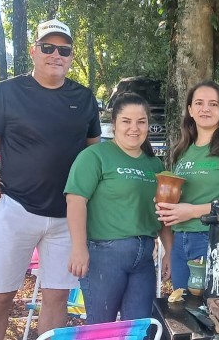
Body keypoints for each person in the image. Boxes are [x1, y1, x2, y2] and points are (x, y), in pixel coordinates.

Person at [0, 18, 101, 340]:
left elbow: (94, 154)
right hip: (15, 209)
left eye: (64, 50)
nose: (56, 55)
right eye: (48, 47)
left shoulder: (85, 98)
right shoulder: (6, 92)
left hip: (67, 218)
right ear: (34, 51)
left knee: (57, 298)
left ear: (71, 56)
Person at [65, 93, 171, 323]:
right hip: (104, 255)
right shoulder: (95, 156)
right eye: (126, 121)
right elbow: (75, 201)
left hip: (145, 257)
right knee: (101, 329)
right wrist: (78, 248)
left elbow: (163, 211)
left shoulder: (155, 164)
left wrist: (169, 252)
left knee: (139, 329)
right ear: (114, 124)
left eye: (141, 121)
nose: (134, 128)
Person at [156, 81, 219, 290]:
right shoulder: (182, 150)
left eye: (213, 104)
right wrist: (169, 249)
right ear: (190, 110)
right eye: (199, 103)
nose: (205, 109)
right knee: (182, 306)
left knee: (211, 306)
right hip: (179, 242)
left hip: (216, 239)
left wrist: (193, 211)